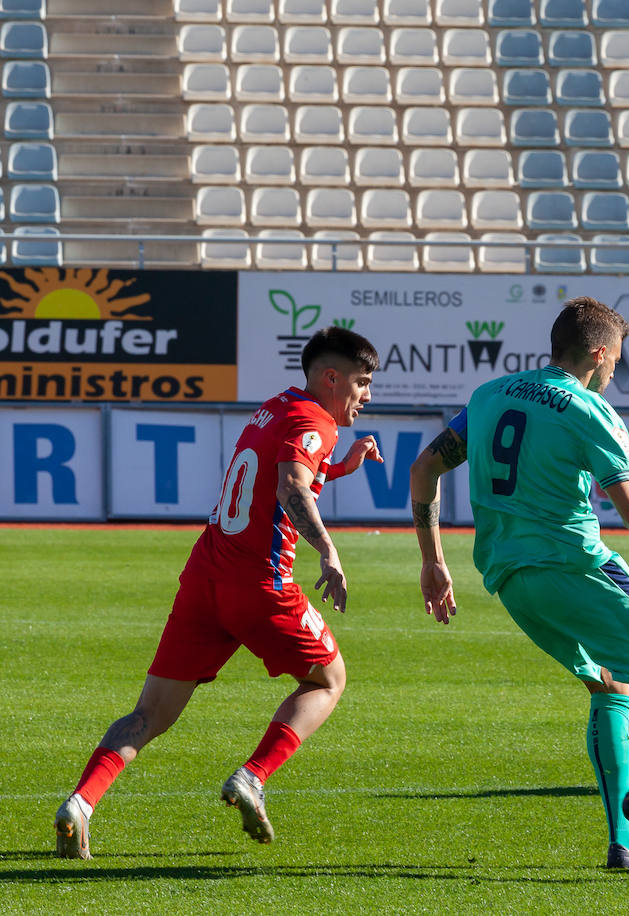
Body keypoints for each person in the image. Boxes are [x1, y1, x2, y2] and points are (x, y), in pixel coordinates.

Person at [410, 296, 629, 869]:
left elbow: (423, 470)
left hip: (508, 578)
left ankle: (626, 844)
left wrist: (432, 560)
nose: (616, 373)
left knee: (608, 684)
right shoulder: (590, 411)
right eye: (617, 362)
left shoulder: (489, 395)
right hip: (574, 565)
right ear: (599, 354)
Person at [54, 327, 383, 859]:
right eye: (362, 382)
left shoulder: (274, 409)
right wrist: (329, 550)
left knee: (150, 714)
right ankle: (253, 777)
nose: (366, 395)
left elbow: (280, 476)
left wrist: (341, 468)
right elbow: (291, 486)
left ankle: (80, 803)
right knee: (329, 679)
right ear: (331, 378)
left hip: (204, 577)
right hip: (259, 586)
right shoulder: (316, 421)